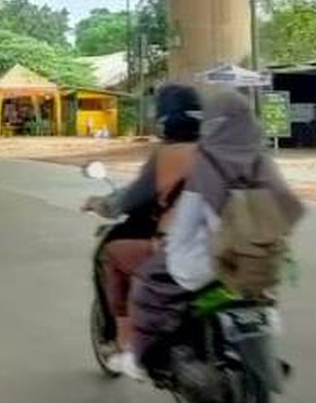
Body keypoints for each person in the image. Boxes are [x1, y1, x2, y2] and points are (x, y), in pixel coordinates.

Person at [127, 88, 305, 381]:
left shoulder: (207, 164)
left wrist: (169, 244)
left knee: (147, 282)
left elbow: (186, 222)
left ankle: (142, 359)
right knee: (263, 290)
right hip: (262, 263)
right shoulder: (263, 161)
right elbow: (291, 210)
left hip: (213, 263)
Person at [80, 84, 203, 375]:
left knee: (110, 254)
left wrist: (101, 204)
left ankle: (126, 344)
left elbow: (132, 198)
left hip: (181, 248)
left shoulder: (167, 155)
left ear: (165, 119)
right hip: (232, 245)